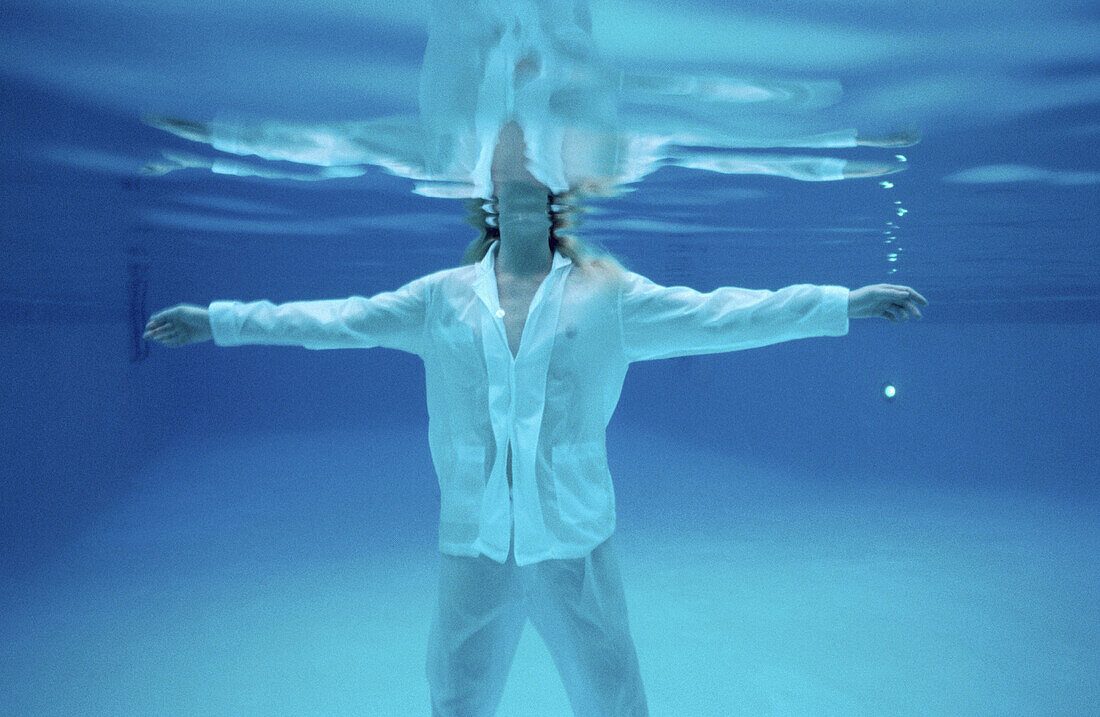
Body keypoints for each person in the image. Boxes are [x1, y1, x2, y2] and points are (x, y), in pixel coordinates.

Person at [143, 121, 926, 716]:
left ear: (561, 194)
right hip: (473, 545)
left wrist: (844, 304)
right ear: (485, 189)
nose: (520, 175)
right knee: (455, 702)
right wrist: (219, 319)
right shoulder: (439, 298)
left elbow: (726, 313)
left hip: (575, 545)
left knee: (618, 703)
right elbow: (332, 319)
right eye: (504, 165)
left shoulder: (607, 295)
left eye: (537, 167)